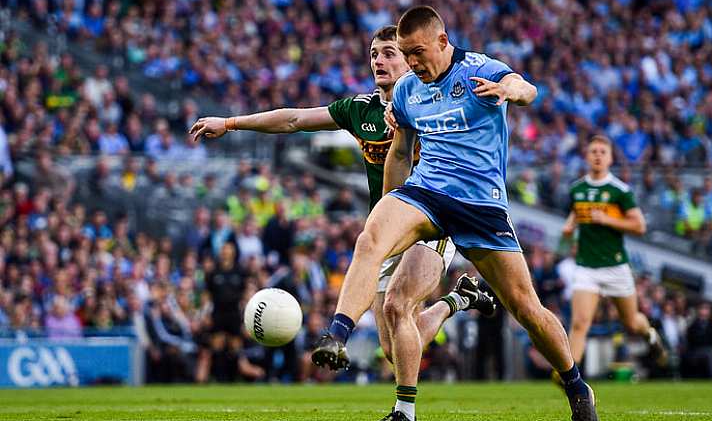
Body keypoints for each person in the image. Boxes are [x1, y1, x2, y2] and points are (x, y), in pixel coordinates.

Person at [312, 6, 597, 421]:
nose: (411, 63)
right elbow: (399, 152)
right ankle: (337, 335)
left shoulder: (479, 69)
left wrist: (512, 91)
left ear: (443, 42)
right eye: (405, 54)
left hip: (481, 204)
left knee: (525, 308)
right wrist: (388, 207)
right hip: (426, 193)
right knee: (370, 239)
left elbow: (526, 87)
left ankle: (575, 385)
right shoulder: (409, 88)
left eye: (417, 52)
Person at [190, 24, 492, 396]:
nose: (378, 60)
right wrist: (232, 123)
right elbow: (295, 120)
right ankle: (459, 299)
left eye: (388, 53)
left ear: (411, 59)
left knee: (399, 306)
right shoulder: (359, 110)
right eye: (373, 54)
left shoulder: (433, 103)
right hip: (386, 228)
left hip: (432, 224)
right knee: (393, 350)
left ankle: (403, 409)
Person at [561, 135, 668, 374]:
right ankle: (569, 376)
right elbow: (577, 212)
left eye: (602, 152)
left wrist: (607, 219)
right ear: (586, 156)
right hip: (586, 266)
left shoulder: (620, 191)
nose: (598, 155)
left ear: (610, 158)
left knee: (631, 322)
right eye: (593, 151)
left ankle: (650, 334)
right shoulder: (577, 189)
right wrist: (570, 226)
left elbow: (639, 226)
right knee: (580, 323)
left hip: (615, 266)